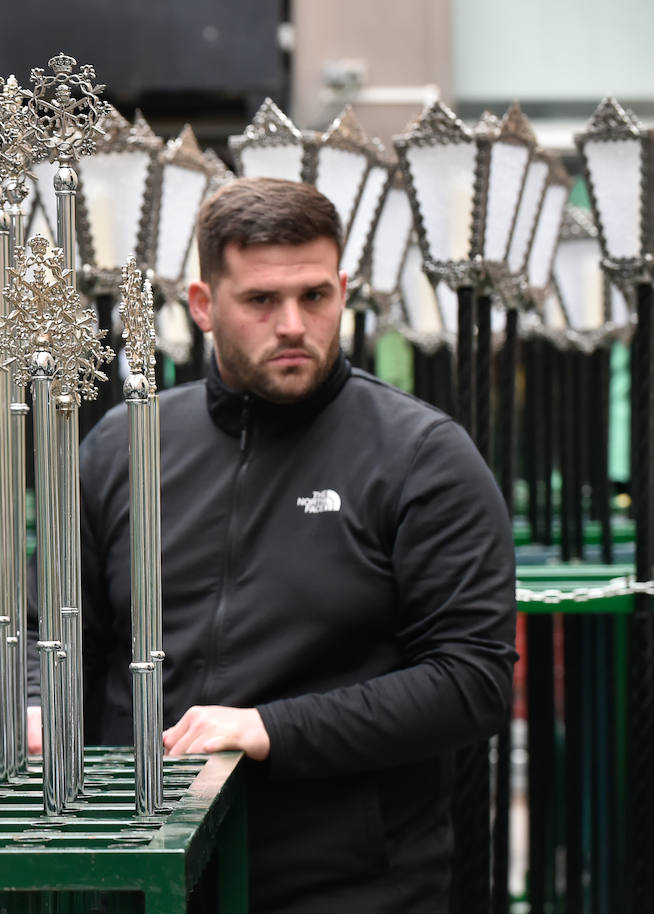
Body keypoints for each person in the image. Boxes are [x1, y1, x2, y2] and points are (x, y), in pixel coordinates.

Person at [27, 177, 516, 912]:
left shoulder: (423, 456)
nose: (293, 324)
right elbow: (53, 633)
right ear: (203, 306)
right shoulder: (123, 446)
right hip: (143, 872)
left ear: (343, 290)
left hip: (348, 886)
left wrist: (268, 729)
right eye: (260, 301)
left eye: (315, 296)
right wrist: (36, 707)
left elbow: (472, 681)